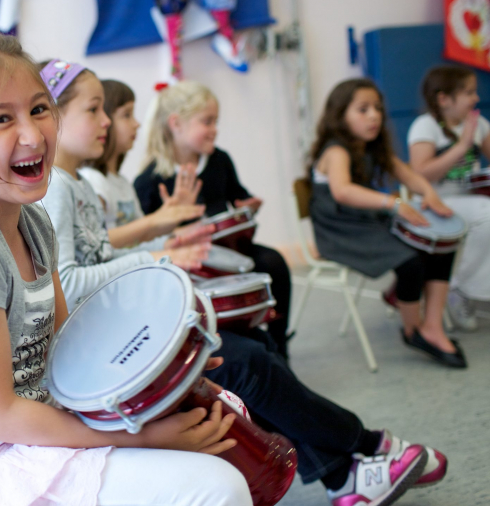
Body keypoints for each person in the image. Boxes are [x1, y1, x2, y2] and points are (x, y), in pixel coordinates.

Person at [41, 62, 447, 506]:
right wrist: (161, 254)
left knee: (255, 343)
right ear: (53, 117)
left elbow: (101, 258)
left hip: (122, 330)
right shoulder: (57, 188)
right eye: (95, 109)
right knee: (247, 361)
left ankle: (343, 474)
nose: (106, 121)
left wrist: (167, 240)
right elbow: (68, 280)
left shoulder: (74, 183)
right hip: (111, 356)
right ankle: (364, 446)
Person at [0, 34, 253, 506]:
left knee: (225, 419)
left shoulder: (33, 218)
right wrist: (144, 438)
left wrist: (159, 371)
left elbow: (69, 351)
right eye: (2, 119)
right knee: (217, 486)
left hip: (33, 424)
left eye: (39, 109)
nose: (32, 134)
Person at [309, 78, 466, 369]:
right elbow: (342, 190)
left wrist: (429, 194)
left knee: (440, 245)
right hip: (340, 231)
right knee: (411, 263)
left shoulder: (371, 147)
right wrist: (393, 204)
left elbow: (408, 175)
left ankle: (432, 324)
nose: (374, 116)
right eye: (363, 109)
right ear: (340, 114)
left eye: (377, 109)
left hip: (367, 221)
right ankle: (412, 329)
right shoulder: (336, 151)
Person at [133, 81, 294, 359]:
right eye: (207, 121)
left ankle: (279, 346)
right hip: (193, 264)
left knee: (274, 264)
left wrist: (247, 206)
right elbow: (148, 239)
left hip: (231, 251)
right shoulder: (149, 181)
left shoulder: (220, 161)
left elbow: (238, 198)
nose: (214, 129)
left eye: (216, 121)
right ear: (176, 124)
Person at [407, 65, 490, 331]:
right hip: (435, 204)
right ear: (444, 99)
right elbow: (420, 175)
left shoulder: (478, 125)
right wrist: (462, 146)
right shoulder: (425, 126)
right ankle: (461, 290)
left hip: (471, 200)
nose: (475, 98)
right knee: (486, 213)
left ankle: (473, 287)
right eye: (468, 92)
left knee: (484, 209)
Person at [78, 80, 205, 251]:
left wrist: (174, 218)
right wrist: (154, 219)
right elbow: (95, 243)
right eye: (126, 115)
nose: (137, 124)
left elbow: (142, 237)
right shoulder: (93, 181)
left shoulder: (122, 183)